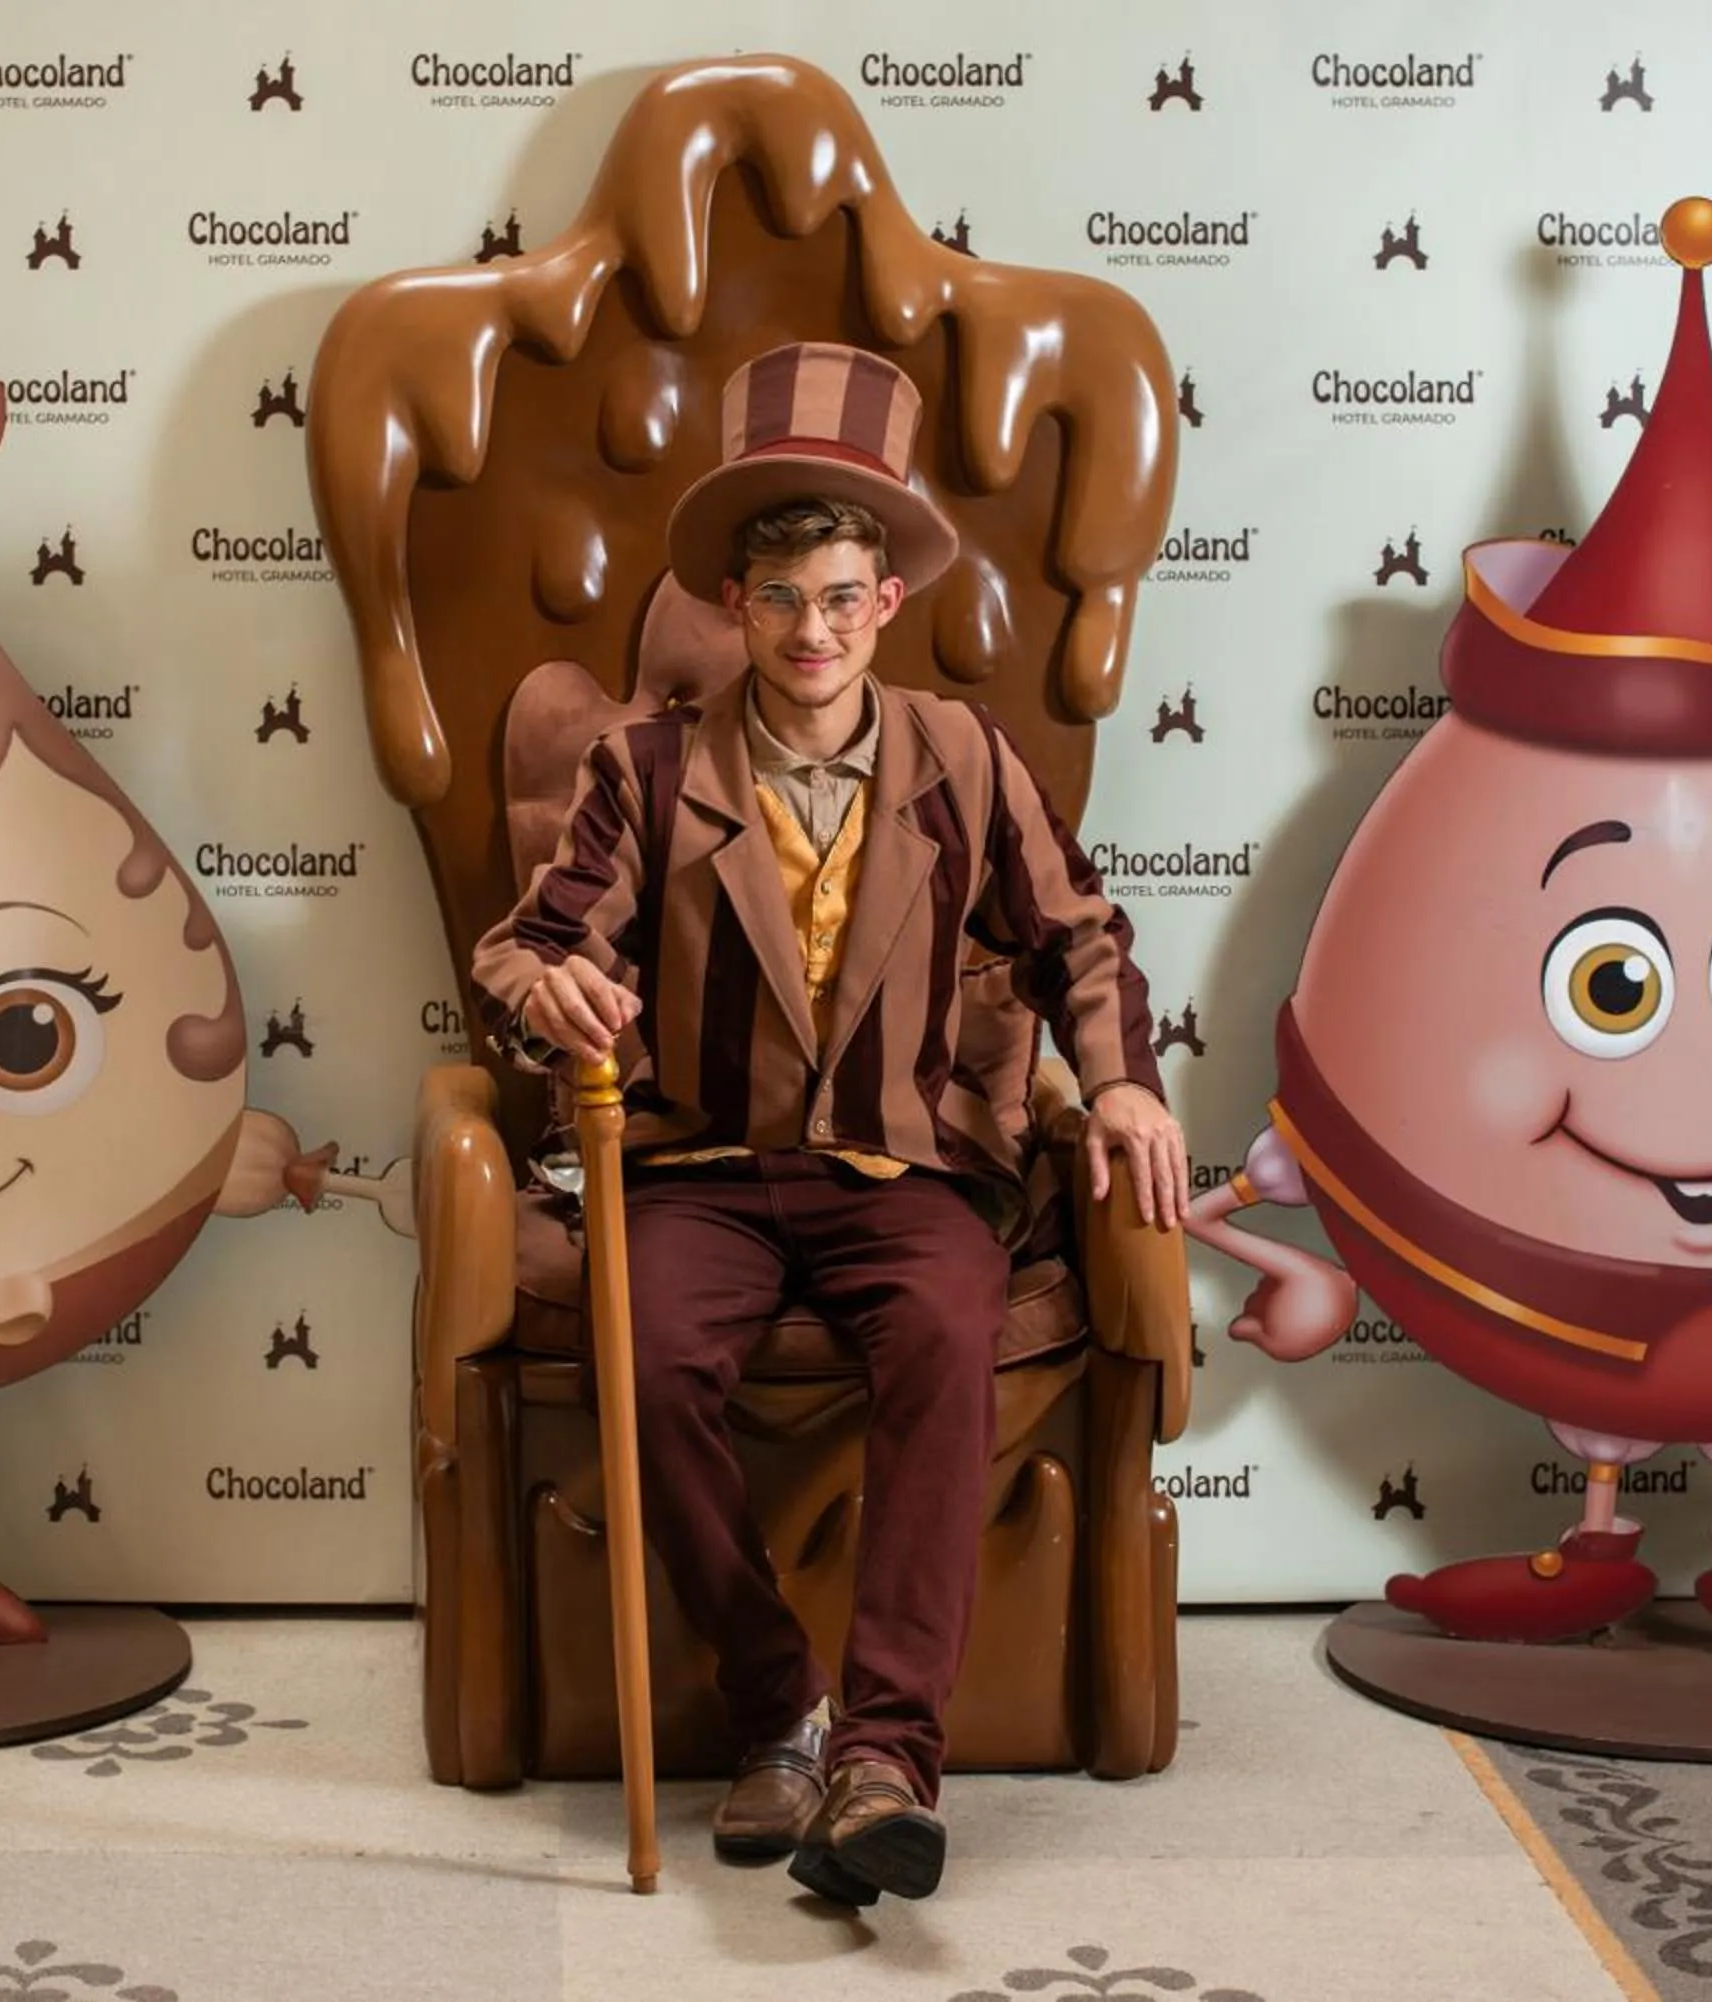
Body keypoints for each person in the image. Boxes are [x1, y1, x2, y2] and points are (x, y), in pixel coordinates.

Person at [472, 341, 1186, 1908]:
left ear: (887, 603)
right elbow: (528, 938)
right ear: (739, 604)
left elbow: (1080, 933)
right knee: (644, 1351)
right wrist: (552, 990)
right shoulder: (646, 769)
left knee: (944, 1327)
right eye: (783, 601)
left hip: (905, 1169)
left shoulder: (964, 761)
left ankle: (883, 1756)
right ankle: (774, 1699)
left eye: (843, 598)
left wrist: (1120, 1076)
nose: (813, 630)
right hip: (699, 1171)